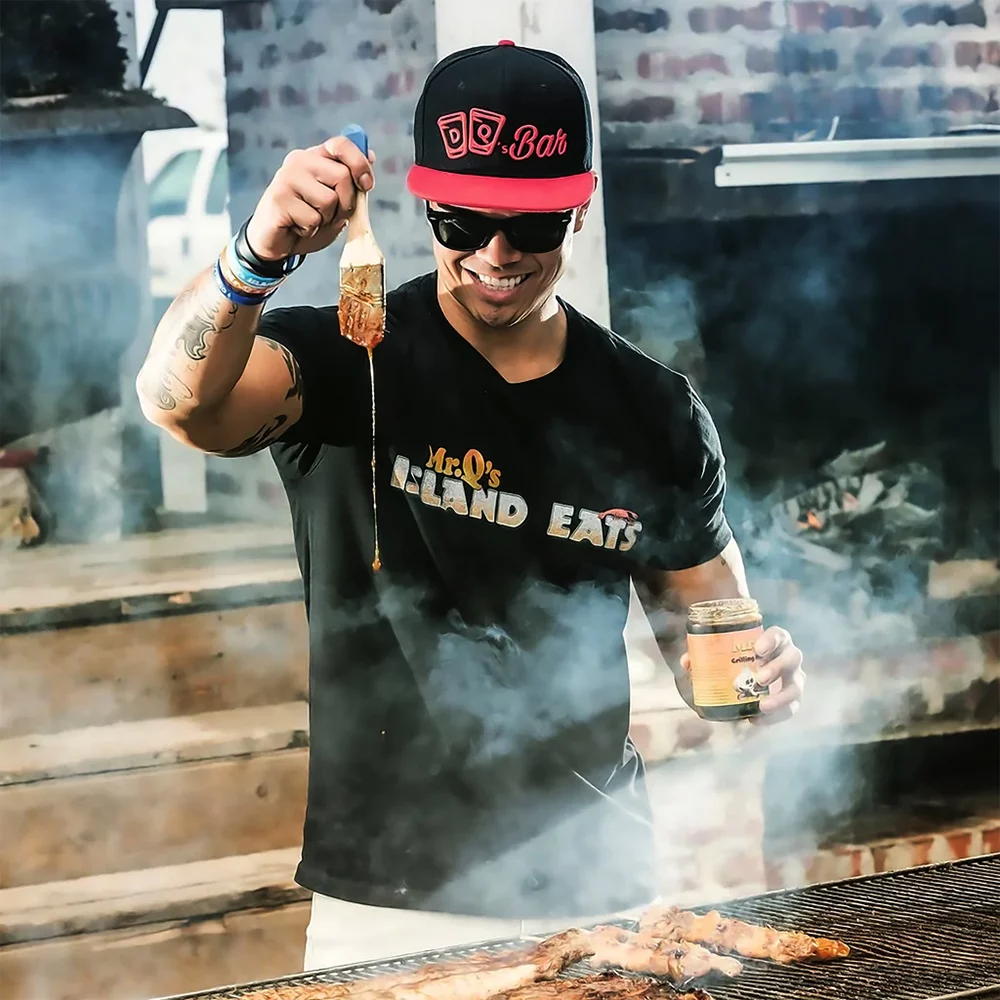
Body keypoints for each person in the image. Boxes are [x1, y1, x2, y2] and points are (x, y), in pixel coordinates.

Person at [137, 41, 805, 968]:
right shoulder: (347, 359)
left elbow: (713, 656)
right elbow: (179, 403)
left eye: (530, 224)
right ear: (423, 203)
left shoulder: (653, 410)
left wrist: (761, 683)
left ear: (579, 205)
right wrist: (257, 255)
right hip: (393, 900)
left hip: (599, 887)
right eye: (462, 221)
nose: (496, 253)